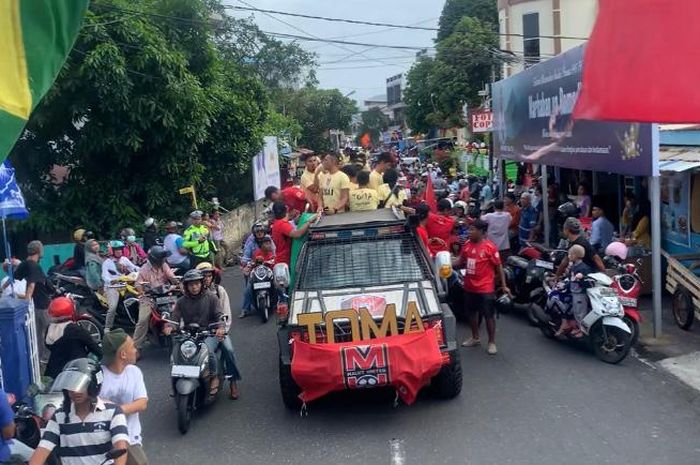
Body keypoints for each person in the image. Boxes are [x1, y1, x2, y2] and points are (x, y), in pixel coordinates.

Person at [29, 358, 129, 465]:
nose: (75, 390)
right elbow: (43, 449)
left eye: (80, 385)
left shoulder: (113, 412)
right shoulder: (59, 416)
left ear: (93, 386)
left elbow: (121, 447)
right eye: (70, 385)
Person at [163, 270, 230, 395]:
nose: (194, 287)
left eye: (197, 284)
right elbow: (174, 318)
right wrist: (170, 326)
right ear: (186, 286)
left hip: (208, 332)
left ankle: (214, 376)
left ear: (201, 284)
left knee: (208, 350)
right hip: (189, 334)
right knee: (177, 352)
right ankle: (176, 379)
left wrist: (220, 327)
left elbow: (219, 315)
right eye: (191, 285)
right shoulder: (182, 301)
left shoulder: (211, 297)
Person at [453, 219, 509, 355]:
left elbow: (499, 267)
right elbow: (460, 261)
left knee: (488, 316)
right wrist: (444, 264)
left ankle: (491, 342)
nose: (469, 232)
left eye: (472, 230)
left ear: (482, 232)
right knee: (471, 314)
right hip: (469, 287)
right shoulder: (466, 245)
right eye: (469, 229)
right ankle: (475, 337)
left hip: (485, 288)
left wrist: (504, 285)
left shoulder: (490, 247)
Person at [100, 330, 149, 465]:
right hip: (103, 439)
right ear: (123, 354)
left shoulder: (134, 372)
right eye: (132, 346)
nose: (136, 350)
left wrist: (113, 410)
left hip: (130, 438)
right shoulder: (98, 376)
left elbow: (142, 403)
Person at [197, 263, 241, 399]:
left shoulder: (219, 290)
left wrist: (223, 330)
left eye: (209, 275)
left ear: (213, 276)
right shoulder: (193, 293)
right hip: (199, 332)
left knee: (229, 350)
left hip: (217, 331)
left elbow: (226, 314)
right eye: (203, 276)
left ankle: (232, 381)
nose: (206, 278)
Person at [44, 296, 102, 380]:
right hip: (76, 370)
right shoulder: (75, 329)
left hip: (54, 372)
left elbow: (48, 346)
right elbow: (93, 346)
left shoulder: (50, 328)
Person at [133, 246, 178, 350]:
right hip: (149, 298)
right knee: (143, 320)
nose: (163, 261)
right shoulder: (144, 269)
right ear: (154, 260)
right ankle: (135, 347)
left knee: (180, 310)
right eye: (161, 259)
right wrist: (142, 290)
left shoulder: (164, 265)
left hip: (166, 295)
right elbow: (138, 285)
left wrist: (178, 282)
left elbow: (171, 277)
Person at [14, 241, 52, 362]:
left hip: (34, 305)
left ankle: (39, 357)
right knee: (48, 331)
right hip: (41, 304)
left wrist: (2, 289)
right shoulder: (34, 266)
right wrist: (26, 302)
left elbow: (12, 278)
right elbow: (31, 285)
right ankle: (46, 357)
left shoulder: (24, 264)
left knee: (36, 333)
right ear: (38, 251)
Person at [555, 244, 592, 337]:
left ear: (575, 255)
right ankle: (576, 327)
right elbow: (571, 280)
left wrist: (582, 277)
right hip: (574, 292)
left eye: (570, 254)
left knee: (580, 313)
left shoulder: (583, 268)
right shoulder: (574, 266)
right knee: (575, 311)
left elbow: (587, 280)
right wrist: (565, 286)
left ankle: (582, 330)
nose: (569, 256)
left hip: (580, 293)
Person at [102, 240, 139, 333]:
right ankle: (107, 327)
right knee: (113, 307)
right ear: (112, 251)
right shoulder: (107, 262)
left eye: (120, 250)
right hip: (112, 287)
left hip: (125, 285)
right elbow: (104, 276)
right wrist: (111, 280)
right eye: (116, 250)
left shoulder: (124, 259)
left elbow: (134, 268)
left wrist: (142, 269)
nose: (119, 252)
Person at [239, 235, 275, 318]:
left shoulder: (272, 254)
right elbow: (250, 262)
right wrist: (249, 264)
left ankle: (282, 301)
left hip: (268, 276)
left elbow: (275, 261)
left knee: (278, 285)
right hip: (257, 276)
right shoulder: (257, 253)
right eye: (266, 243)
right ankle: (245, 309)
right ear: (261, 245)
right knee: (248, 289)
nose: (269, 245)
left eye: (269, 243)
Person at [270, 201, 315, 267]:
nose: (296, 211)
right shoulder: (282, 224)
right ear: (287, 209)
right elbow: (297, 234)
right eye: (294, 209)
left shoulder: (277, 223)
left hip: (282, 260)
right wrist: (308, 222)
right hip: (285, 262)